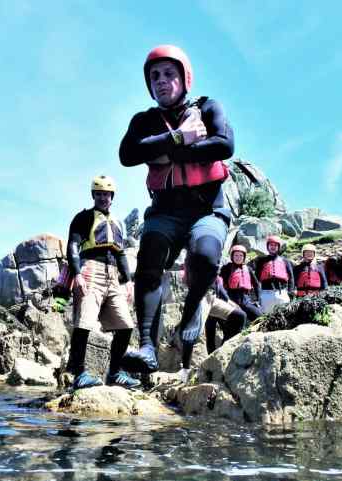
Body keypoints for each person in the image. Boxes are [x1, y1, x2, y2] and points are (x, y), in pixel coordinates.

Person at [119, 44, 235, 374]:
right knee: (150, 255)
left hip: (206, 208)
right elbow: (128, 154)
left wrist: (164, 153)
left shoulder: (209, 107)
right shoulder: (144, 120)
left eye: (169, 74)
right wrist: (181, 139)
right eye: (154, 76)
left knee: (205, 255)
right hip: (165, 211)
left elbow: (224, 145)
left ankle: (194, 305)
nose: (161, 81)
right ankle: (145, 347)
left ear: (185, 78)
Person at [62, 175, 139, 390]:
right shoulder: (83, 218)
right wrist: (76, 273)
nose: (103, 198)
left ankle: (115, 373)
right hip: (90, 270)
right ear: (93, 195)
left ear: (112, 197)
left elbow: (121, 253)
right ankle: (78, 373)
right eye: (99, 194)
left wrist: (128, 281)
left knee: (125, 325)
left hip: (113, 276)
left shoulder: (117, 223)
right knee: (84, 322)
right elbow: (73, 246)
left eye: (106, 194)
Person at [203, 276, 247, 355]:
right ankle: (217, 355)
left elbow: (223, 295)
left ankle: (217, 354)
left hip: (216, 307)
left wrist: (233, 304)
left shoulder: (216, 278)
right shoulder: (213, 277)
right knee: (214, 334)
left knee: (212, 335)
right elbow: (224, 296)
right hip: (212, 307)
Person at [219, 244, 263, 322]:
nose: (238, 258)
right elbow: (220, 284)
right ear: (232, 256)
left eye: (241, 255)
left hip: (245, 299)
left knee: (259, 317)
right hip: (231, 299)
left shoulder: (248, 269)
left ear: (244, 257)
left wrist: (258, 299)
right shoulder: (226, 268)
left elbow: (256, 285)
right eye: (236, 255)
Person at [251, 235, 294, 313]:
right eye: (271, 245)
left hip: (282, 293)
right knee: (266, 317)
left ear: (278, 247)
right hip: (266, 294)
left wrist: (290, 292)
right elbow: (256, 280)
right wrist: (257, 296)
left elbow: (291, 278)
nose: (273, 247)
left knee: (284, 316)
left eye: (275, 245)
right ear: (268, 247)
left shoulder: (286, 261)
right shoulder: (261, 261)